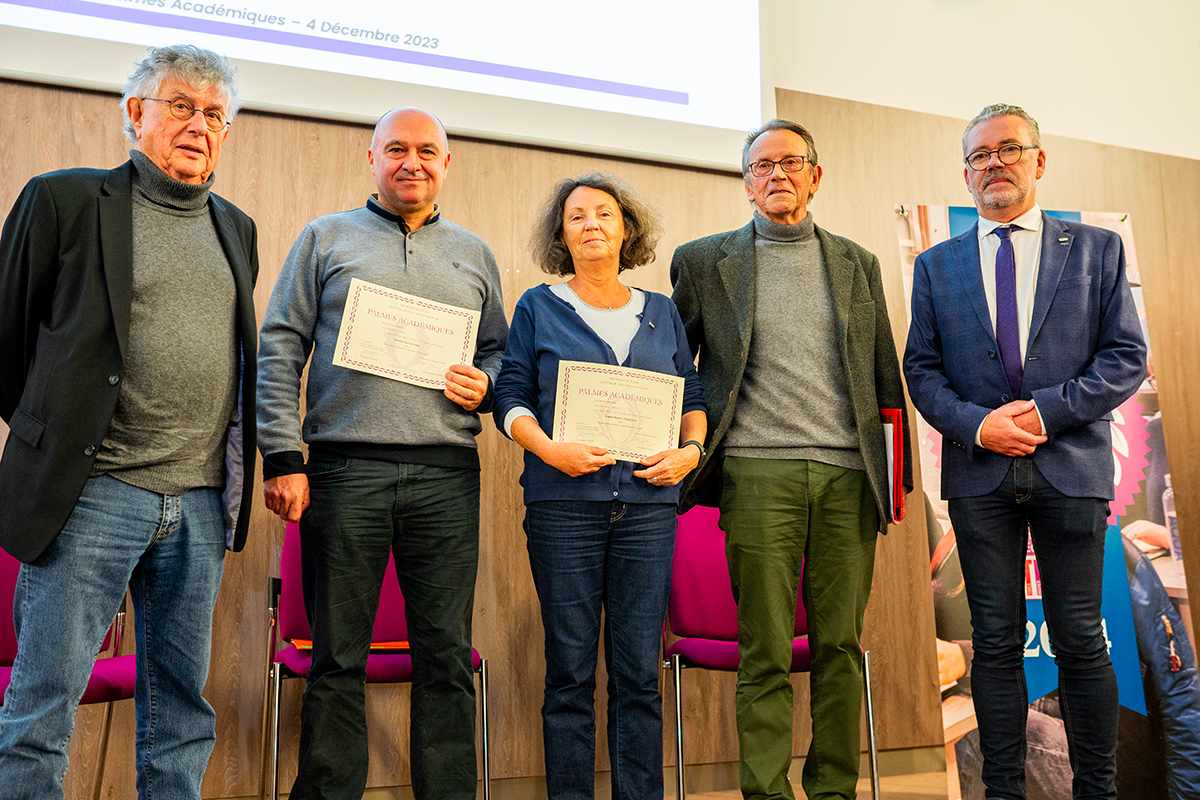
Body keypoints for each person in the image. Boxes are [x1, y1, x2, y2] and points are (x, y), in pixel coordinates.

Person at [0, 44, 258, 799]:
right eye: (181, 105)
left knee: (182, 710)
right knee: (44, 702)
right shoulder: (64, 201)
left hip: (201, 505)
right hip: (93, 495)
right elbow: (7, 343)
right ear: (135, 113)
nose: (199, 124)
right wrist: (59, 446)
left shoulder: (235, 227)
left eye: (215, 114)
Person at [256, 106, 507, 800]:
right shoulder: (326, 237)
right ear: (372, 159)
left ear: (447, 164)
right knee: (337, 659)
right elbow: (279, 343)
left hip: (447, 475)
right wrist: (283, 454)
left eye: (428, 150)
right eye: (396, 148)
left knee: (446, 658)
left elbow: (500, 357)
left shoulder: (475, 253)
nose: (412, 162)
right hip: (343, 470)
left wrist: (486, 384)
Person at [903, 103, 1147, 800]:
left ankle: (1096, 789)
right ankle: (1002, 791)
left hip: (1069, 469)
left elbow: (1125, 357)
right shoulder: (935, 265)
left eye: (1008, 150)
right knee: (997, 642)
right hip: (979, 477)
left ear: (1038, 161)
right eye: (979, 156)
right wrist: (980, 426)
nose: (993, 165)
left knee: (1078, 639)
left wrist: (1042, 413)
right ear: (966, 173)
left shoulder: (1097, 251)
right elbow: (921, 369)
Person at [671, 120, 912, 800]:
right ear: (746, 182)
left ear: (815, 175)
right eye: (763, 165)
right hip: (755, 472)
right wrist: (680, 450)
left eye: (792, 162)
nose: (777, 174)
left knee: (839, 647)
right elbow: (674, 369)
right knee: (767, 650)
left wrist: (892, 486)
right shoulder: (702, 261)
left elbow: (882, 373)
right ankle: (766, 793)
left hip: (847, 476)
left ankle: (834, 789)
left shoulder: (857, 262)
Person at [493, 172, 705, 800]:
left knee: (639, 673)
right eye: (577, 215)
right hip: (563, 510)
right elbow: (511, 395)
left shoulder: (661, 311)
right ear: (561, 232)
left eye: (604, 214)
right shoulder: (537, 305)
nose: (591, 224)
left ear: (625, 228)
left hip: (648, 510)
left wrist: (689, 454)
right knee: (569, 674)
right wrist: (549, 449)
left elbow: (690, 396)